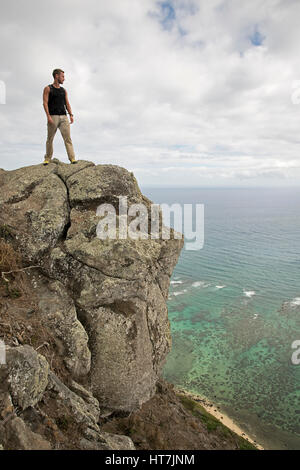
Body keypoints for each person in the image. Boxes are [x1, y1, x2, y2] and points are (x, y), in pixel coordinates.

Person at [42, 68, 77, 165]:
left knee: (68, 139)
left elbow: (67, 103)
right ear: (56, 76)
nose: (64, 79)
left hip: (64, 117)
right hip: (53, 117)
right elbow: (45, 103)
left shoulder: (63, 90)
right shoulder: (48, 88)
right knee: (50, 139)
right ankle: (48, 158)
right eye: (62, 76)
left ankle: (72, 158)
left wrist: (71, 115)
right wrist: (48, 116)